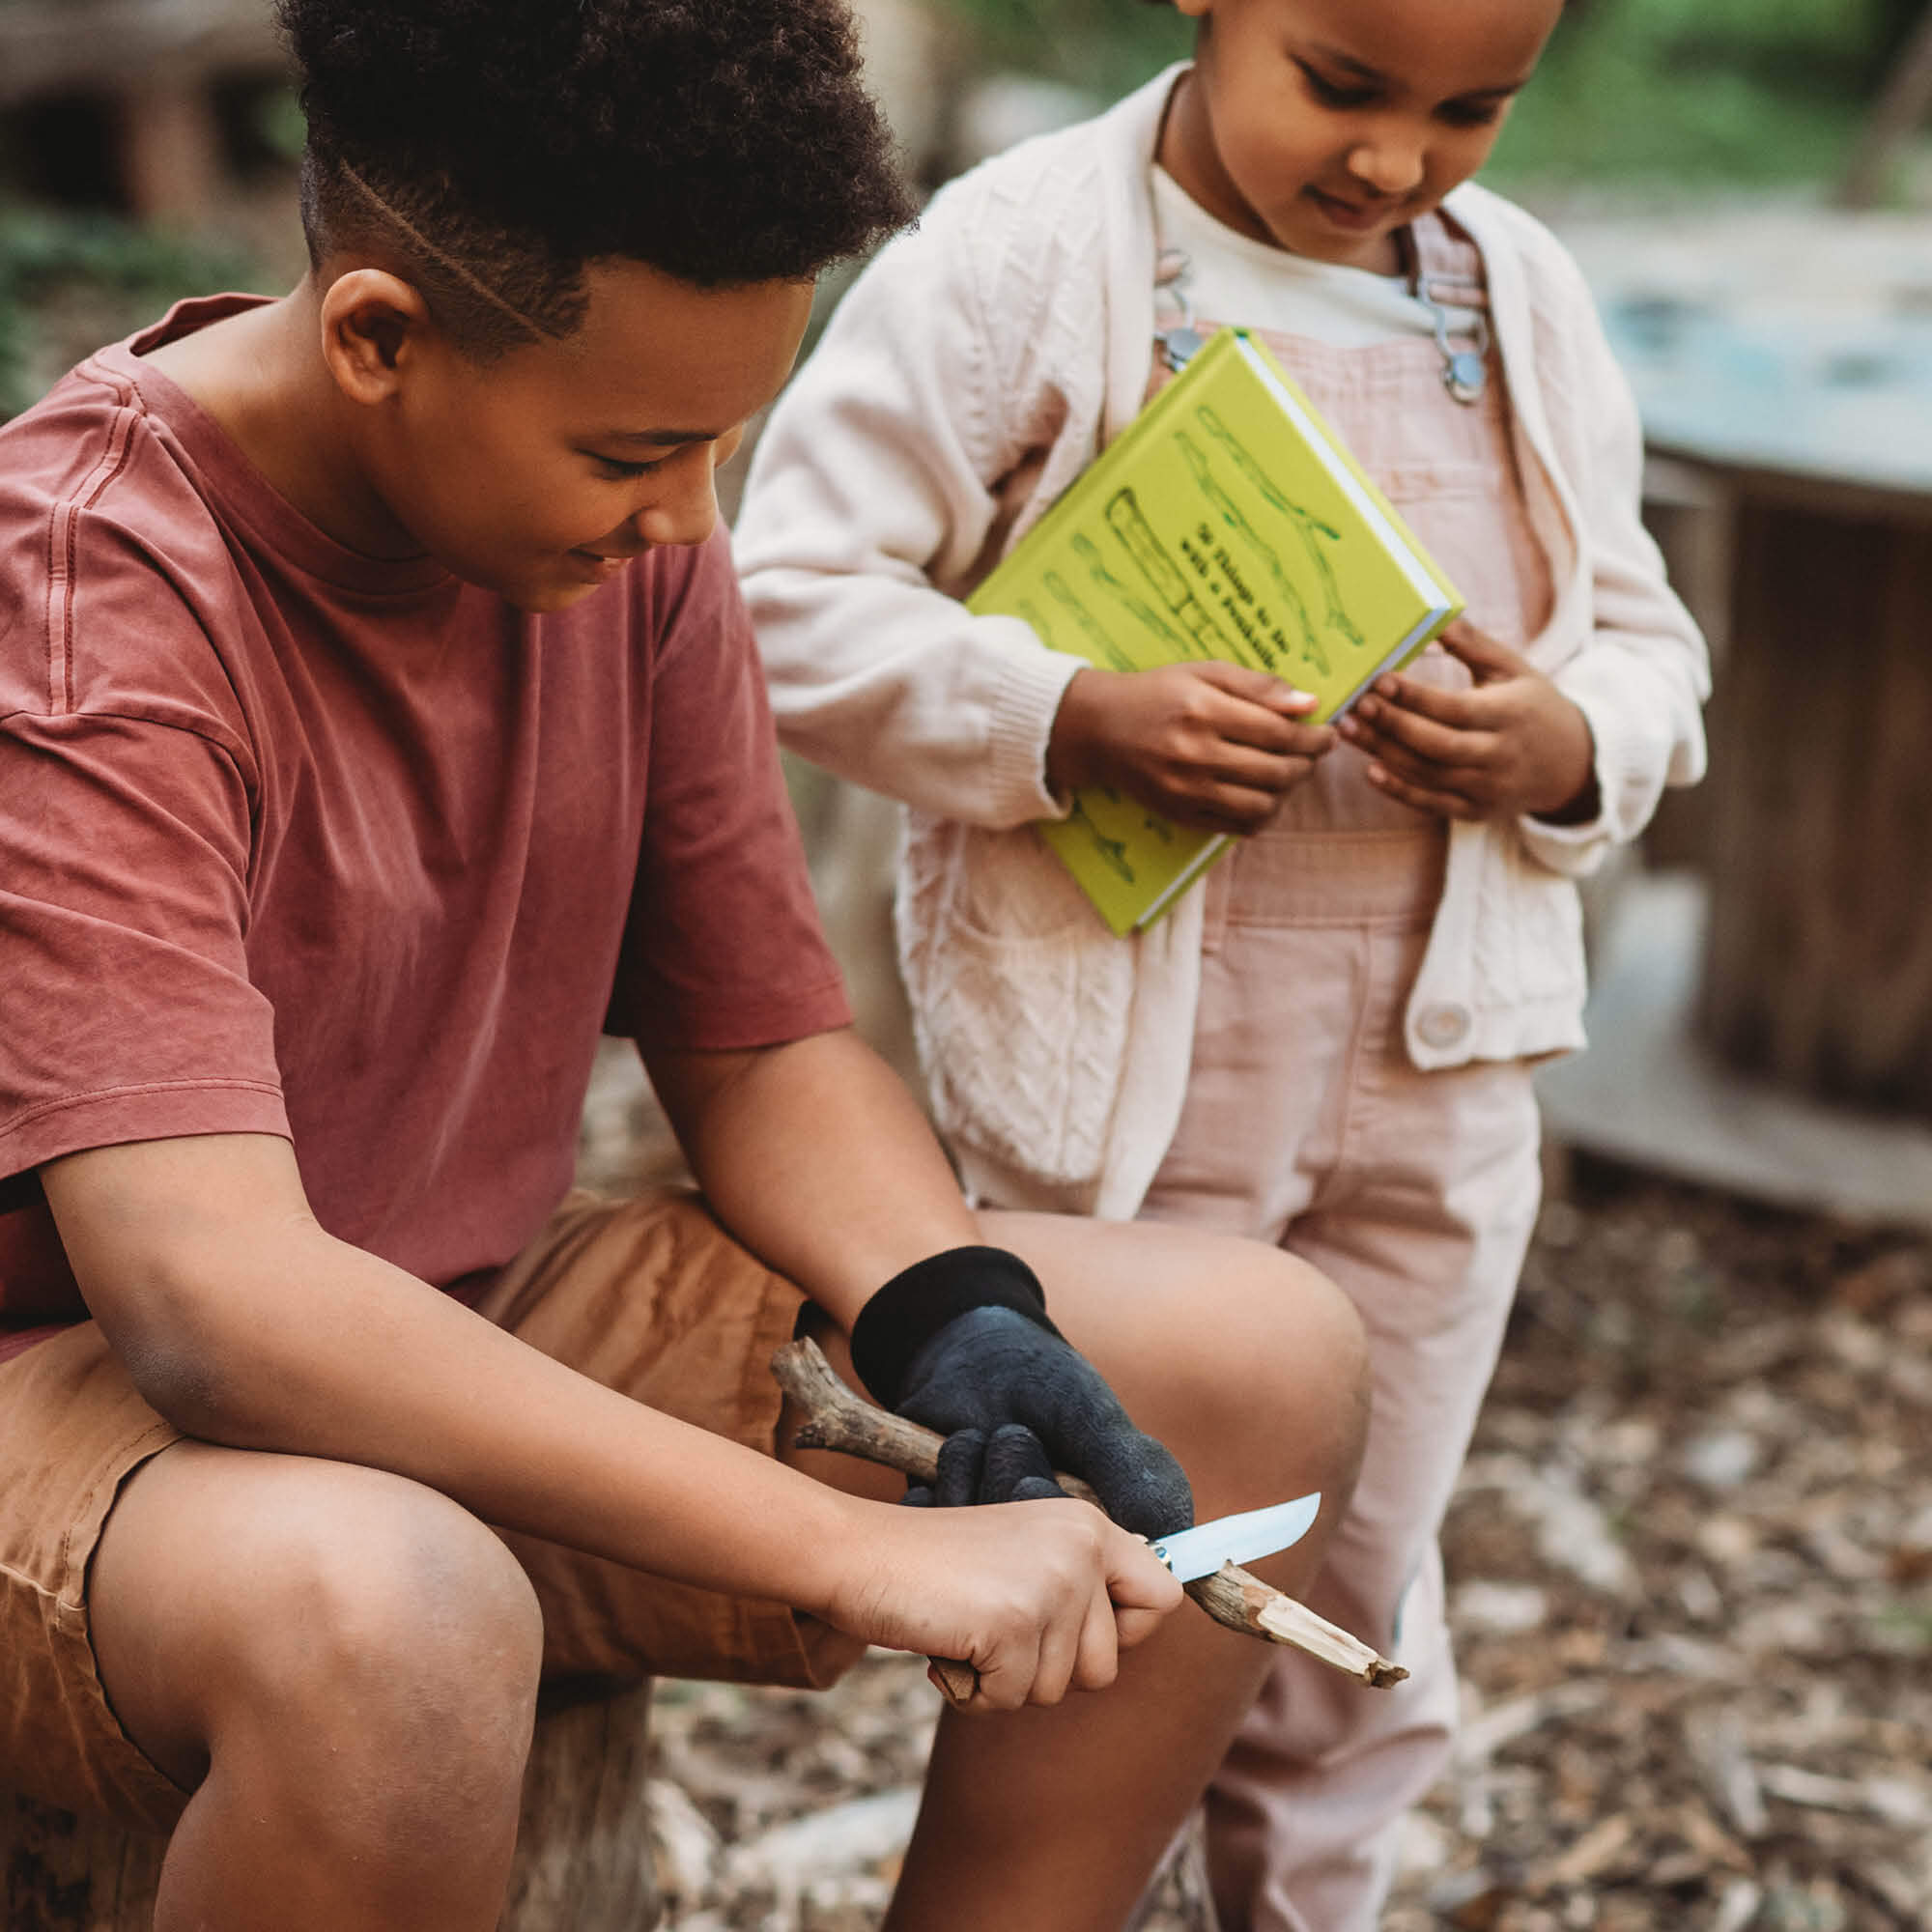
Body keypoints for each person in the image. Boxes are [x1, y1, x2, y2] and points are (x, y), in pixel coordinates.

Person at [0, 3, 1375, 1928]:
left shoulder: (623, 532)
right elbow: (210, 1300)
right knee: (390, 1622)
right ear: (378, 339)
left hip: (461, 1296)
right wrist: (845, 1547)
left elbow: (762, 1044)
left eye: (725, 444)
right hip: (66, 1387)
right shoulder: (82, 586)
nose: (689, 522)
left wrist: (953, 1315)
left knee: (1249, 1356)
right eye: (639, 453)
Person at [734, 0, 1711, 1925]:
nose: (1393, 160)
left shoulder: (1516, 296)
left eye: (1470, 109)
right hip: (1130, 1090)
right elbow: (781, 599)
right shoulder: (1020, 260)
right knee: (1142, 1565)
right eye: (1341, 86)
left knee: (1360, 1585)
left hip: (1438, 1097)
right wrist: (1065, 712)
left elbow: (1647, 642)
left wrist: (1571, 737)